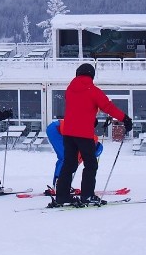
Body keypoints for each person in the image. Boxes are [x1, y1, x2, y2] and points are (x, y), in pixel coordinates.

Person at [52, 63, 133, 207]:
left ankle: (62, 195)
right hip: (83, 134)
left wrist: (91, 118)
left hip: (68, 133)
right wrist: (124, 118)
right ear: (92, 75)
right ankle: (87, 195)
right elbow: (108, 107)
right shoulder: (93, 90)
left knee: (69, 164)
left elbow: (78, 107)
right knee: (90, 164)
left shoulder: (69, 89)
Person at [44, 117, 106, 196]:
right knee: (65, 158)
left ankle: (58, 185)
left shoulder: (87, 133)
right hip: (56, 129)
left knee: (63, 159)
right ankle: (59, 187)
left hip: (55, 128)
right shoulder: (90, 138)